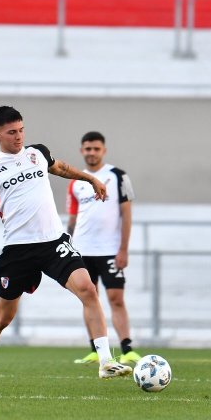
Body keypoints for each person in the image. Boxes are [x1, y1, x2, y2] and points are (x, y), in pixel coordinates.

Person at [0, 105, 133, 384]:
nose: (19, 137)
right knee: (2, 318)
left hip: (53, 242)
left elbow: (62, 168)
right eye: (11, 132)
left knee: (88, 289)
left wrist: (91, 178)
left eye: (21, 130)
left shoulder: (37, 153)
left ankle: (106, 360)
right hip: (18, 250)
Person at [66, 131, 140, 366]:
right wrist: (67, 244)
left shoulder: (118, 176)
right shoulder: (76, 181)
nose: (91, 153)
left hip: (109, 250)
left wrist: (123, 249)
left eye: (96, 149)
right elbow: (72, 217)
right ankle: (96, 350)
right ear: (81, 151)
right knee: (89, 298)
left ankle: (127, 348)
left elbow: (126, 215)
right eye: (87, 149)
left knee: (116, 298)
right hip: (82, 250)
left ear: (103, 151)